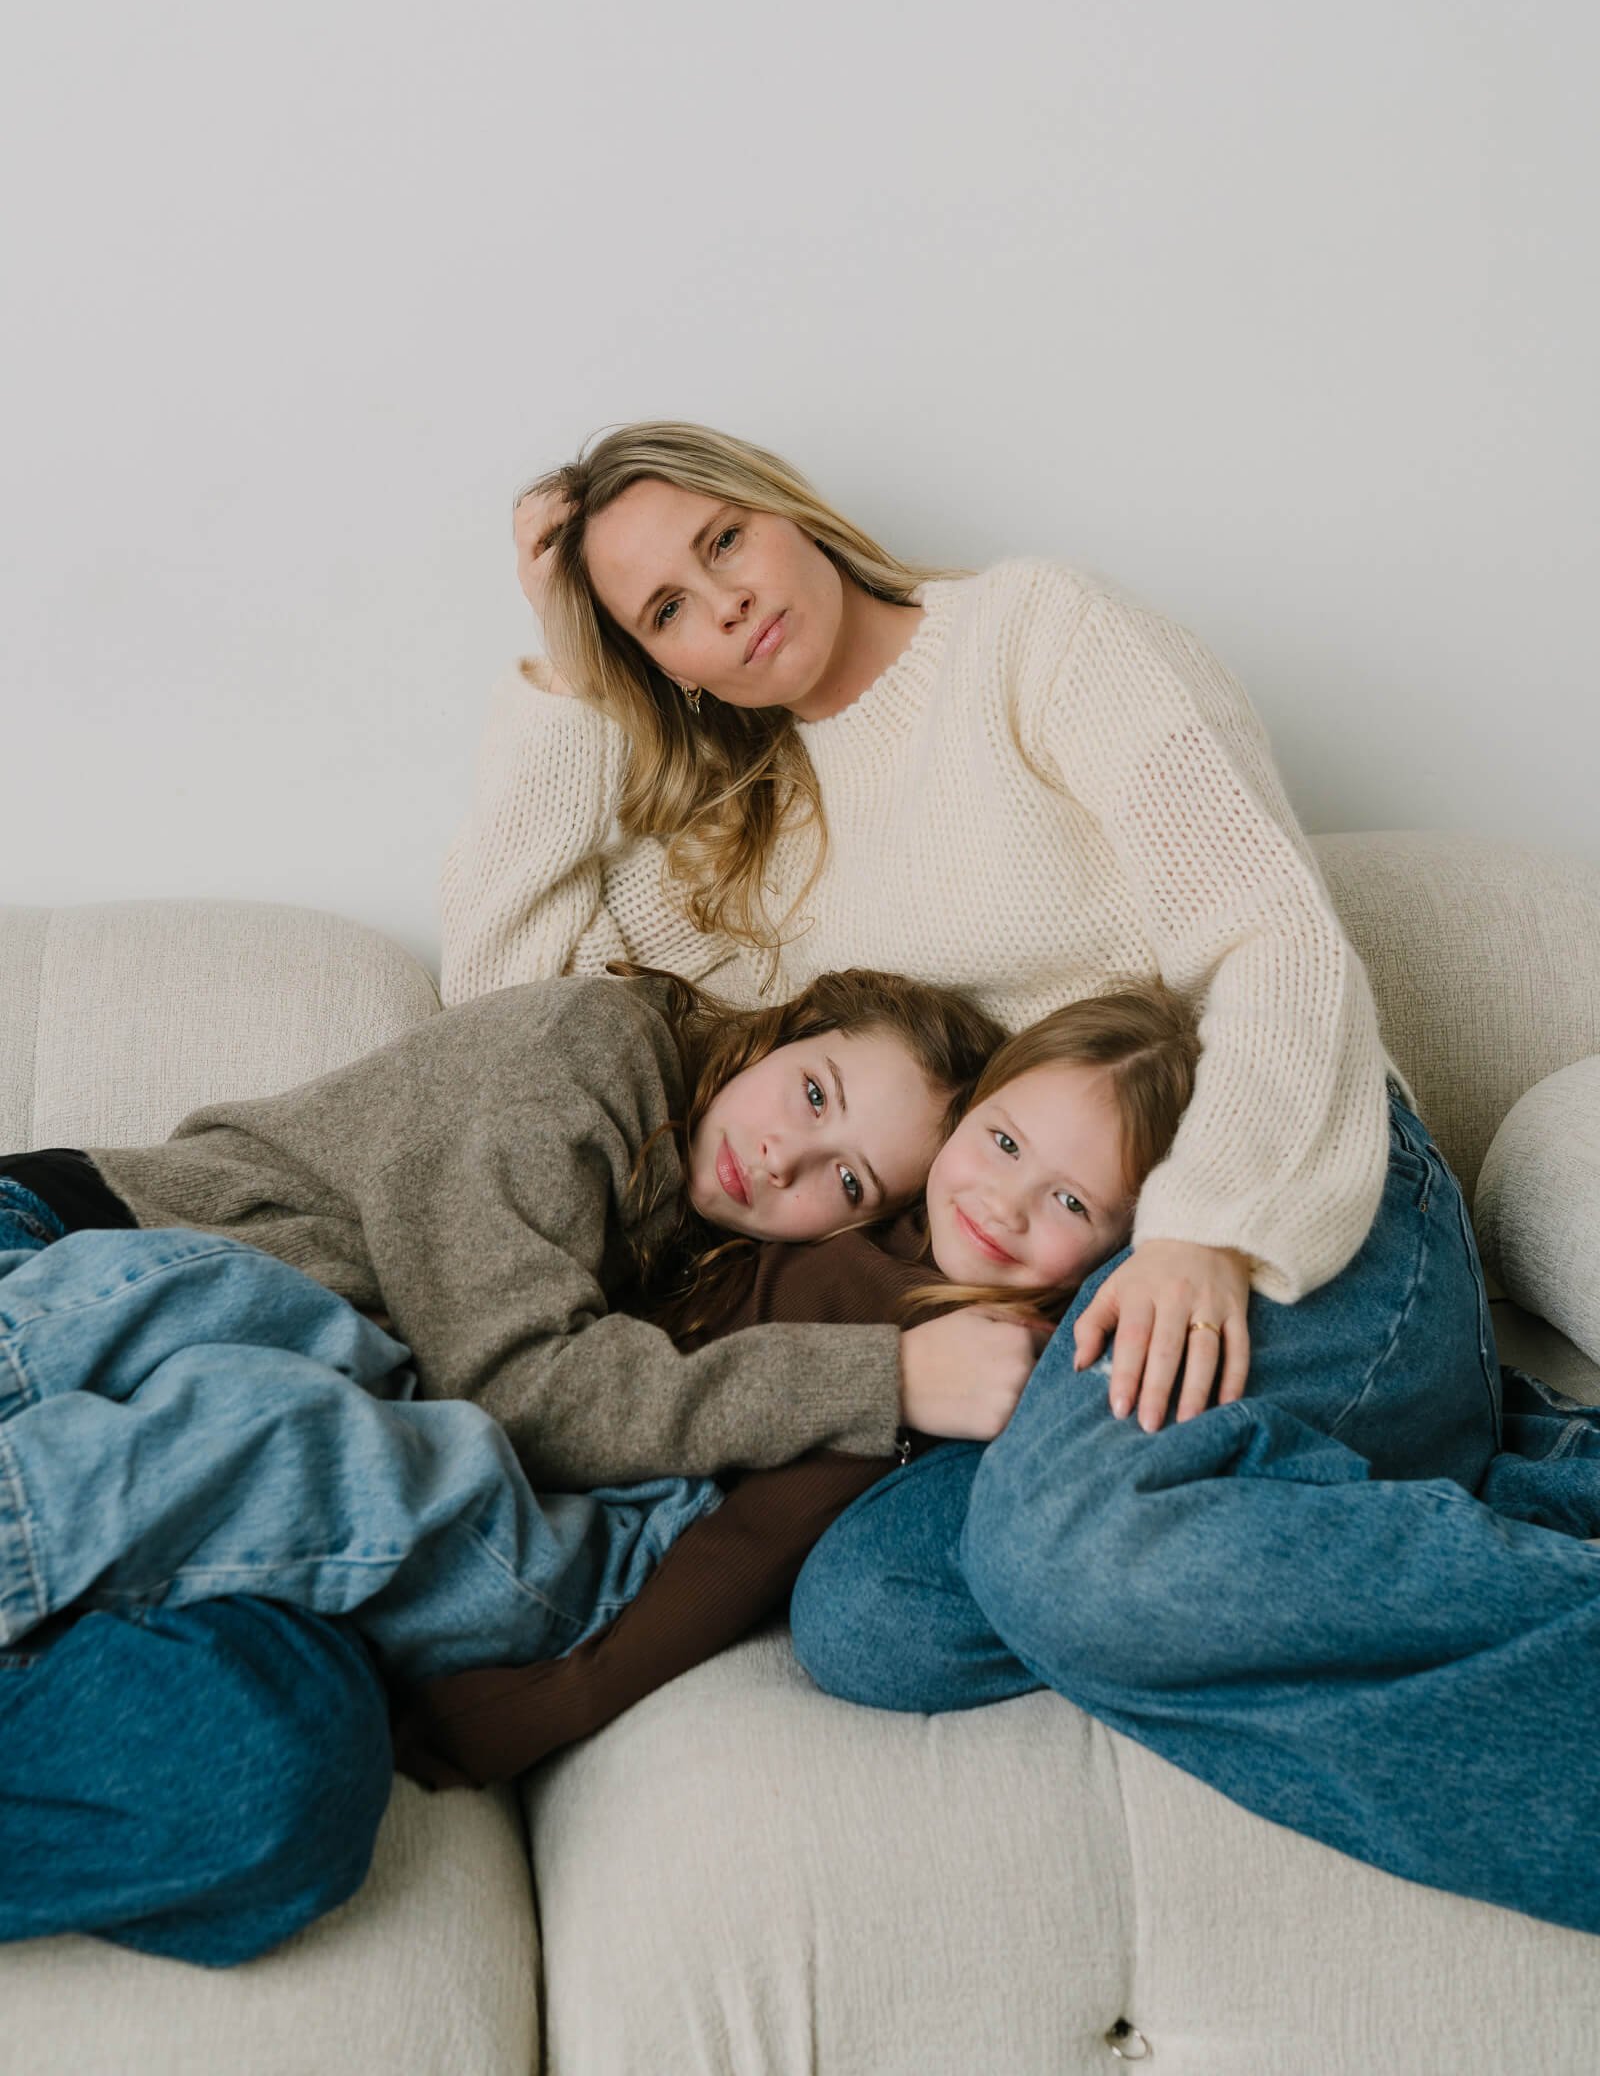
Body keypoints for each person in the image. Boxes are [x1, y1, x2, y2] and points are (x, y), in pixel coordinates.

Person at [438, 420, 1600, 1932]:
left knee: (1073, 1551)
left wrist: (1208, 1234)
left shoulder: (1036, 636)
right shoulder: (736, 849)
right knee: (873, 1621)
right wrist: (568, 682)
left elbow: (1272, 935)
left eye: (720, 541)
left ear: (787, 510)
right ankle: (1482, 1486)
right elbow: (513, 1016)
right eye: (660, 612)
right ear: (668, 670)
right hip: (1067, 1290)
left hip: (1299, 1195)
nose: (717, 602)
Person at [0, 960, 1020, 1963]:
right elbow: (514, 1386)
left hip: (222, 1478)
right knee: (316, 1433)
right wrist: (875, 1379)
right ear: (787, 1027)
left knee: (288, 1772)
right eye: (812, 1092)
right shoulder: (591, 1044)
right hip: (79, 1284)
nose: (785, 1155)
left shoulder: (697, 1256)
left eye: (846, 1178)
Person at [397, 981, 1200, 1783]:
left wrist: (560, 1701)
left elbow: (753, 1542)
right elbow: (523, 1388)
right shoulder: (607, 1059)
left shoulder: (955, 1335)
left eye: (1069, 1201)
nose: (1004, 1204)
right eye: (1003, 1143)